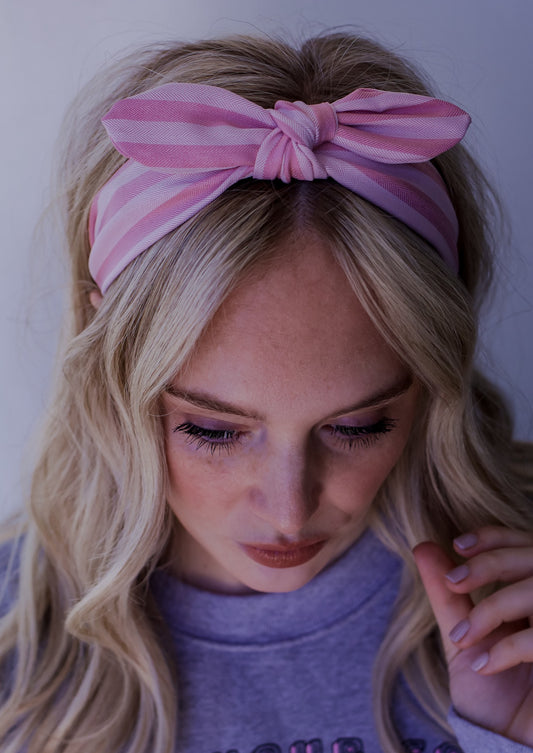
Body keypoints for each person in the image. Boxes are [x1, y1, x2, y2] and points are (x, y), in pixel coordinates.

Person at [0, 30, 532, 753]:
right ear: (109, 363)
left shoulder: (518, 598)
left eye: (360, 425)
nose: (289, 508)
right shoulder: (15, 641)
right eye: (213, 430)